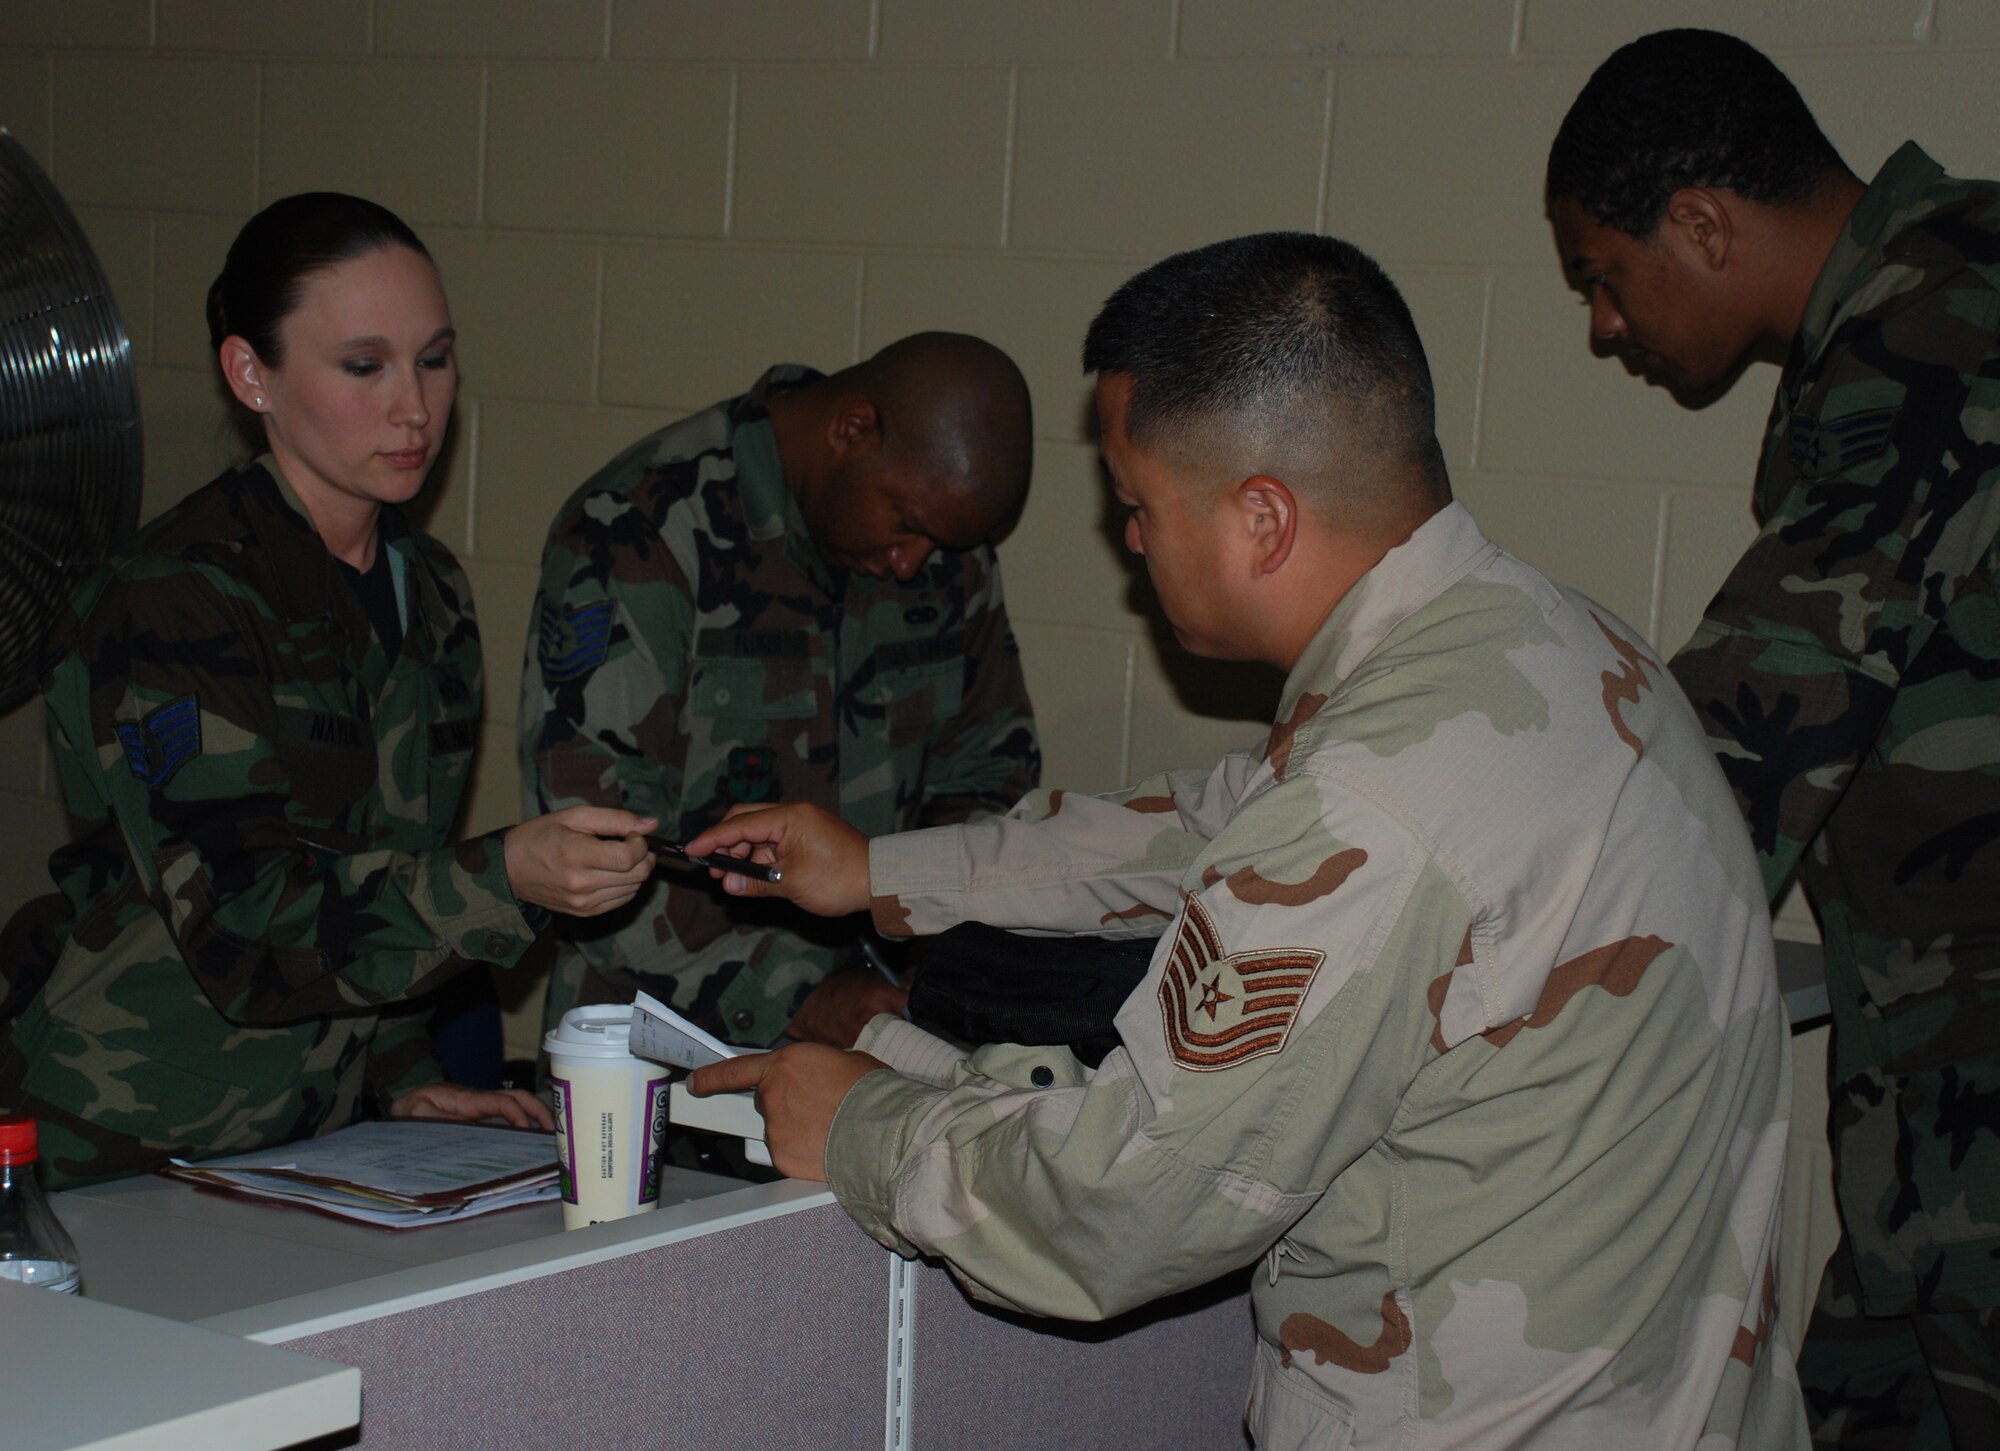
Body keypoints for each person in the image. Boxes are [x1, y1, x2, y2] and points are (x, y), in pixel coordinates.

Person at [686, 233, 1806, 1449]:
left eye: (1135, 504)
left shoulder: (1376, 800)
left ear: (1260, 518)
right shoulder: (1555, 651)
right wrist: (878, 871)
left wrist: (856, 1121)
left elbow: (1112, 1209)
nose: (1130, 542)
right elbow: (1218, 820)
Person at [0, 193, 658, 1190]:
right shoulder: (173, 597)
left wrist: (400, 1072)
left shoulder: (425, 585)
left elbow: (379, 859)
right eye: (364, 365)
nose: (414, 407)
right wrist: (504, 876)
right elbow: (242, 924)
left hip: (305, 1136)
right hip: (114, 1134)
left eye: (434, 359)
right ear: (250, 373)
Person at [1547, 30, 2000, 1447]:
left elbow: (1754, 724)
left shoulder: (1935, 326)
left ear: (1702, 222)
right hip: (1931, 1059)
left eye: (1603, 275)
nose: (1604, 328)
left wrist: (1496, 902)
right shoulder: (1934, 292)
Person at [520, 333, 1040, 1057]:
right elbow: (591, 836)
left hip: (886, 1057)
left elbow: (989, 776)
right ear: (851, 431)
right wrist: (804, 998)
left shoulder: (946, 550)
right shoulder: (640, 529)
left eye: (938, 544)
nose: (911, 562)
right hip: (658, 1064)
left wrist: (936, 957)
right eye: (907, 525)